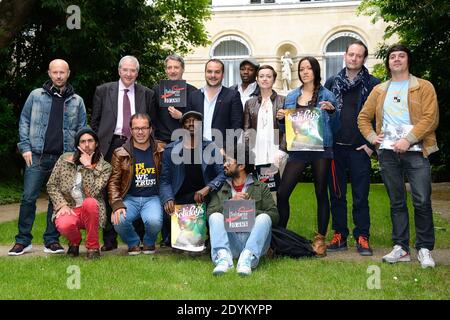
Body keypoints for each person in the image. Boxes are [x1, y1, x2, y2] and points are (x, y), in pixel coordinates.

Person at [358, 44, 439, 268]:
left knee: (422, 200)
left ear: (407, 61)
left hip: (416, 152)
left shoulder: (423, 87)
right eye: (392, 57)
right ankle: (401, 247)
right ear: (388, 62)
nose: (396, 59)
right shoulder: (380, 90)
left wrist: (409, 138)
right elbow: (363, 118)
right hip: (387, 153)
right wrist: (373, 137)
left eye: (401, 56)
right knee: (396, 202)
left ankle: (424, 248)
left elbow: (431, 118)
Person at [9, 59, 86, 256]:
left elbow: (82, 130)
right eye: (55, 72)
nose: (59, 76)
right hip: (36, 156)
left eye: (62, 72)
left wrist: (76, 156)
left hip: (64, 159)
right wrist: (25, 147)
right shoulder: (36, 95)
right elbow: (24, 120)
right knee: (28, 198)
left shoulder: (77, 101)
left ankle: (51, 240)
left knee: (57, 199)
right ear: (49, 73)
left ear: (68, 73)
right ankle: (22, 240)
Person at [91, 55, 156, 251]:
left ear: (137, 73)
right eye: (125, 70)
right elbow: (95, 121)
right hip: (110, 144)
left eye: (133, 70)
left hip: (137, 143)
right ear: (119, 71)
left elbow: (150, 121)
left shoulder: (147, 94)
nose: (129, 74)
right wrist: (95, 146)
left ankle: (137, 237)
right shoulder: (103, 90)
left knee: (135, 184)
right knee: (108, 188)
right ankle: (109, 239)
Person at [276, 57, 339, 257]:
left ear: (315, 71)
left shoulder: (327, 95)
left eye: (308, 68)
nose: (304, 72)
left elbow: (336, 127)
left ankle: (320, 238)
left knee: (321, 192)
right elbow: (286, 127)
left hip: (321, 149)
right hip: (298, 149)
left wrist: (332, 112)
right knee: (283, 193)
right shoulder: (292, 95)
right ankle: (280, 235)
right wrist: (280, 119)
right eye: (301, 69)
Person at [324, 40, 380, 256]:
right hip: (335, 149)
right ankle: (339, 235)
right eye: (351, 54)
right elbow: (322, 114)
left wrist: (370, 145)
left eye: (359, 55)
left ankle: (362, 236)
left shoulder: (374, 84)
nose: (354, 58)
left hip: (360, 150)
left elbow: (378, 117)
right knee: (336, 195)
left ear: (364, 59)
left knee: (360, 196)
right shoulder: (331, 82)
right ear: (344, 56)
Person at [207, 142, 278, 276]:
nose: (224, 165)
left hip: (253, 242)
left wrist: (248, 209)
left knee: (264, 218)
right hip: (230, 242)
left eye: (228, 161)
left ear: (241, 166)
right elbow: (209, 213)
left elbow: (274, 215)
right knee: (215, 216)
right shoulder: (222, 187)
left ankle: (247, 259)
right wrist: (230, 204)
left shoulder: (261, 187)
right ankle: (223, 260)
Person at [151, 53, 197, 247]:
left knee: (185, 187)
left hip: (186, 144)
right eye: (169, 67)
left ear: (182, 69)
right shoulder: (157, 90)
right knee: (165, 186)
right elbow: (151, 119)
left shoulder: (193, 92)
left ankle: (186, 233)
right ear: (165, 70)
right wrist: (155, 142)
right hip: (163, 145)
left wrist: (181, 115)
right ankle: (166, 236)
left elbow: (196, 121)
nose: (172, 71)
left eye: (176, 67)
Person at [46, 128, 111, 259]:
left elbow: (92, 192)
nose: (87, 145)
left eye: (90, 141)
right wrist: (62, 205)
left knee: (91, 202)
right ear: (77, 145)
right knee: (64, 224)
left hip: (92, 210)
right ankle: (74, 242)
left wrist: (88, 167)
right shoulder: (64, 160)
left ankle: (93, 247)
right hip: (70, 207)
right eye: (82, 141)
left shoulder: (105, 167)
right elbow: (51, 185)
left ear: (96, 143)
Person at [160, 111, 226, 232]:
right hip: (179, 197)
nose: (191, 124)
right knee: (166, 214)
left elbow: (222, 174)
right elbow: (165, 180)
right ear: (182, 127)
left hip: (204, 197)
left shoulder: (211, 147)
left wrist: (208, 188)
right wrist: (168, 198)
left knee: (212, 216)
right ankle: (170, 237)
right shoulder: (170, 150)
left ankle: (208, 237)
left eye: (195, 121)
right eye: (187, 121)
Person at [108, 113, 164, 255]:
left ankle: (149, 242)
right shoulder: (120, 153)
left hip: (153, 198)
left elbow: (168, 176)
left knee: (154, 222)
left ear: (150, 129)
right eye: (136, 128)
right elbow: (113, 181)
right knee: (118, 220)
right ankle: (133, 242)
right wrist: (116, 204)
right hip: (130, 198)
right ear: (131, 130)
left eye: (144, 128)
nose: (140, 132)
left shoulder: (161, 149)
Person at [243, 65, 287, 191]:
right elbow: (247, 130)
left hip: (278, 153)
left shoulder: (284, 100)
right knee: (258, 193)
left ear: (274, 79)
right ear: (257, 79)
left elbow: (290, 130)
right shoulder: (250, 103)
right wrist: (248, 155)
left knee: (280, 193)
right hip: (257, 154)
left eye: (268, 76)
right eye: (261, 76)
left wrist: (282, 151)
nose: (265, 79)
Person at [188, 59, 243, 143]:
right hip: (197, 148)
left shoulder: (233, 95)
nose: (213, 75)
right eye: (209, 71)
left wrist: (225, 149)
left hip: (220, 150)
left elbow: (237, 126)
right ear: (205, 73)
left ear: (223, 75)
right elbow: (188, 124)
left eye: (217, 72)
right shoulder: (193, 96)